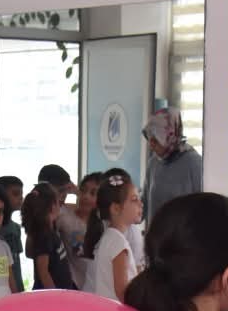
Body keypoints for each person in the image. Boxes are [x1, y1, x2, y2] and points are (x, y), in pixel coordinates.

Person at [82, 170, 142, 300]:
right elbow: (122, 292)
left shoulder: (110, 237)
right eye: (134, 200)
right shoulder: (118, 242)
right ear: (115, 208)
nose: (140, 204)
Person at [141, 108, 204, 229]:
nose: (151, 145)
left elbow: (203, 209)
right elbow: (144, 204)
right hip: (156, 240)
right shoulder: (154, 163)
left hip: (183, 242)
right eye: (150, 139)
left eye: (156, 140)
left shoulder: (194, 163)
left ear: (170, 136)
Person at [20, 183, 77, 290]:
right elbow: (43, 272)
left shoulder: (50, 231)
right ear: (52, 206)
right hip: (50, 297)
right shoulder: (43, 235)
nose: (61, 204)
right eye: (58, 201)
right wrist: (53, 295)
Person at [0, 176, 25, 292]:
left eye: (21, 194)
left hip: (16, 284)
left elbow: (16, 263)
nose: (20, 198)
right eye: (15, 194)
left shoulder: (16, 228)